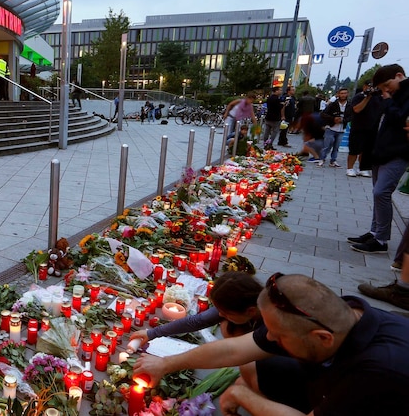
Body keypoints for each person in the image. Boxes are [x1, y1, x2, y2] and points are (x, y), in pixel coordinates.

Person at [133, 273, 409, 415]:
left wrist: (244, 397)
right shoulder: (339, 316)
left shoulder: (378, 372)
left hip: (369, 400)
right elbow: (233, 349)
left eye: (277, 335)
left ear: (322, 338)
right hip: (325, 378)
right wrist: (165, 364)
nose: (270, 338)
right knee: (256, 367)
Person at [349, 64, 409, 254]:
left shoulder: (403, 95)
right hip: (380, 150)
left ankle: (381, 240)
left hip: (397, 152)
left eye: (386, 85)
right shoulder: (392, 95)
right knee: (377, 191)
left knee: (381, 192)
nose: (385, 90)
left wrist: (388, 99)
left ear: (399, 76)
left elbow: (400, 119)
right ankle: (375, 231)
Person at [130, 272, 263, 347]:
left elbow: (224, 353)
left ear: (250, 311)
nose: (220, 314)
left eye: (226, 313)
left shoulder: (269, 330)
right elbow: (197, 321)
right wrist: (152, 333)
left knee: (228, 327)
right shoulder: (246, 305)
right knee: (226, 324)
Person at [345, 82, 381, 177]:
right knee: (354, 149)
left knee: (366, 150)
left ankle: (362, 168)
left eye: (373, 86)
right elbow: (356, 109)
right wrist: (367, 97)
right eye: (369, 86)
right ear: (365, 86)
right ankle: (350, 168)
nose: (371, 88)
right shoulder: (359, 97)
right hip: (358, 127)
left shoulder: (378, 97)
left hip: (372, 128)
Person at [319, 87, 352, 167]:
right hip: (331, 128)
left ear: (347, 94)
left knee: (336, 146)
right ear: (338, 94)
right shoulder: (333, 104)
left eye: (345, 93)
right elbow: (323, 114)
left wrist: (343, 120)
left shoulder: (349, 105)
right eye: (341, 93)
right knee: (327, 145)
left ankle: (333, 160)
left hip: (341, 129)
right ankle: (322, 159)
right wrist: (333, 119)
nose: (343, 95)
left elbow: (351, 116)